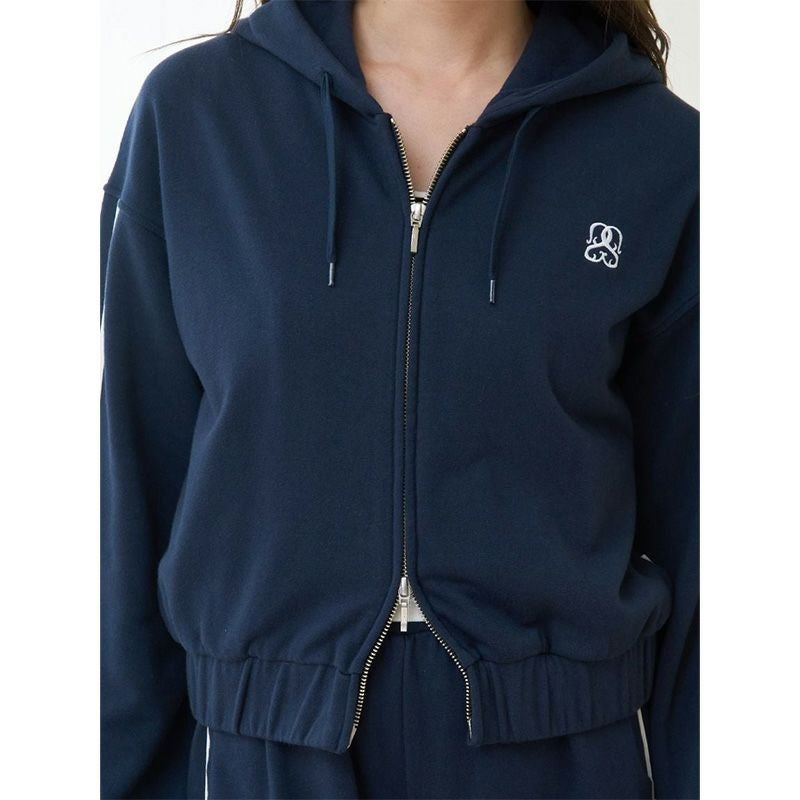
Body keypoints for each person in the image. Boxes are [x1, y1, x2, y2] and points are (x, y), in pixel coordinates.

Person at [100, 1, 698, 798]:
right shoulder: (194, 120)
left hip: (565, 753)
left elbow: (708, 551)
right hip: (266, 760)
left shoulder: (660, 152)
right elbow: (129, 505)